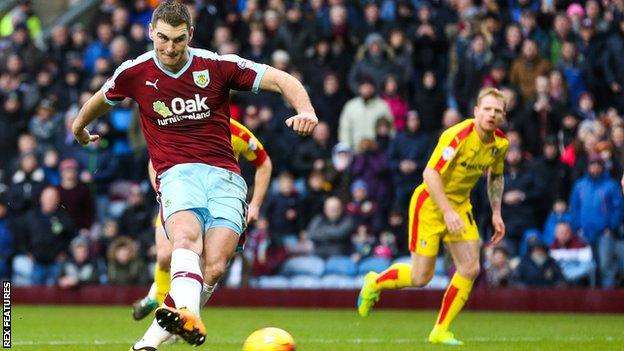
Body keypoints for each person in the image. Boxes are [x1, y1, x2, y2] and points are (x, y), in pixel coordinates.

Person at [71, 2, 317, 349]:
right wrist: (79, 127)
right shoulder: (134, 71)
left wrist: (305, 109)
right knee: (184, 241)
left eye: (178, 40)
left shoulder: (215, 66)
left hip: (226, 179)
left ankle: (146, 344)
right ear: (150, 33)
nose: (170, 48)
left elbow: (280, 78)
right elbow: (101, 99)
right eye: (163, 39)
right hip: (176, 174)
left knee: (214, 268)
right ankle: (186, 313)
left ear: (191, 35)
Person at [357, 88, 509, 345]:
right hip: (430, 205)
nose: (492, 115)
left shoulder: (501, 143)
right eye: (487, 109)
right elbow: (430, 174)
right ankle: (375, 281)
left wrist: (496, 212)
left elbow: (496, 175)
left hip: (459, 207)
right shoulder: (457, 136)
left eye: (497, 111)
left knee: (470, 268)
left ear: (503, 115)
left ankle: (440, 330)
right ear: (476, 112)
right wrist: (446, 211)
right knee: (421, 278)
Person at [131, 118, 272, 322]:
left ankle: (175, 314)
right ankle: (159, 295)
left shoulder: (237, 133)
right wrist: (163, 188)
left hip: (218, 205)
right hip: (179, 199)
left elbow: (263, 162)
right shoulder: (180, 123)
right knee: (164, 256)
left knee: (208, 266)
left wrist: (256, 204)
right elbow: (154, 160)